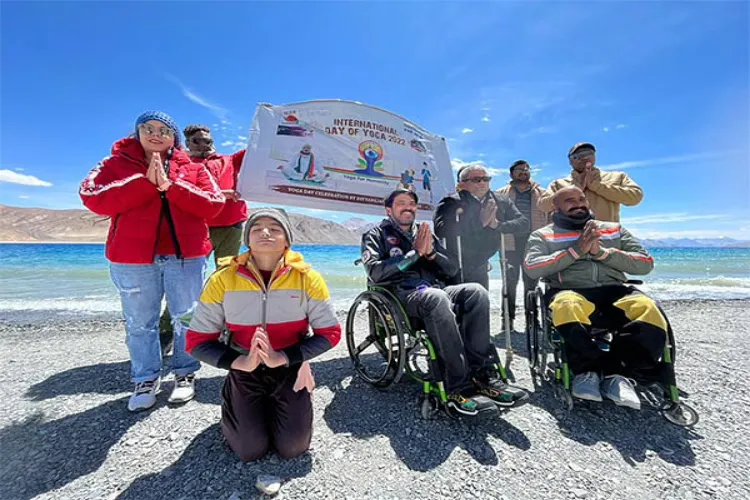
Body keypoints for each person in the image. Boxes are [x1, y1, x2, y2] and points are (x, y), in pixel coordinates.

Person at [79, 110, 225, 411]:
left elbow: (214, 205)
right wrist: (143, 184)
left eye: (164, 129)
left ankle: (185, 374)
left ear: (173, 138)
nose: (156, 134)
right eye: (148, 128)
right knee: (139, 322)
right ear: (138, 132)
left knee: (187, 316)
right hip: (132, 258)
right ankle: (145, 379)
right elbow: (91, 196)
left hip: (185, 256)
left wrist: (170, 187)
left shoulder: (192, 168)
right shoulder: (115, 164)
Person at [186, 208, 341, 461]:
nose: (265, 232)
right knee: (249, 451)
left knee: (293, 448)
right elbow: (197, 341)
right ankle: (233, 396)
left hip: (289, 365)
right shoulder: (223, 280)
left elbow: (330, 333)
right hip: (244, 366)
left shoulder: (308, 278)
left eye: (275, 228)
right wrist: (241, 363)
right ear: (247, 239)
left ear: (287, 240)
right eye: (256, 229)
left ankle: (289, 398)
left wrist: (284, 357)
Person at [361, 189, 529, 417]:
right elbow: (376, 273)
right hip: (400, 297)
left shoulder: (424, 233)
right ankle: (456, 387)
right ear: (389, 210)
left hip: (433, 291)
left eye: (412, 203)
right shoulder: (375, 235)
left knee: (476, 292)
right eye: (401, 203)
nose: (408, 207)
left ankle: (483, 375)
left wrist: (431, 254)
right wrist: (413, 254)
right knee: (436, 297)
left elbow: (452, 269)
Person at [523, 186, 664, 409]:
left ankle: (620, 374)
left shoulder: (614, 230)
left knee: (646, 307)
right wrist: (576, 251)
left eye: (581, 199)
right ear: (555, 207)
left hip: (614, 289)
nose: (578, 203)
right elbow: (532, 267)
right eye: (569, 200)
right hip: (570, 290)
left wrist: (602, 253)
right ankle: (587, 371)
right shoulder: (542, 235)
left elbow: (645, 263)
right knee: (566, 305)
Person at [159, 125, 249, 351]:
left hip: (231, 227)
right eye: (198, 141)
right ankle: (167, 331)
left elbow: (255, 151)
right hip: (197, 228)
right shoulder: (181, 165)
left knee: (228, 278)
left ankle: (226, 330)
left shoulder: (228, 160)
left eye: (207, 141)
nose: (204, 145)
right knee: (186, 282)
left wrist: (274, 123)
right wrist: (219, 195)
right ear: (188, 143)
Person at [434, 165, 528, 290]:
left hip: (483, 260)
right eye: (476, 180)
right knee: (459, 301)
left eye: (486, 179)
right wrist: (480, 223)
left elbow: (523, 223)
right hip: (458, 262)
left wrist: (498, 225)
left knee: (481, 300)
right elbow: (441, 229)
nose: (482, 183)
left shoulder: (500, 200)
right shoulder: (451, 202)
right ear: (463, 183)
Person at [495, 160, 549, 331]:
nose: (523, 172)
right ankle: (507, 319)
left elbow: (550, 217)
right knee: (509, 281)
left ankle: (532, 320)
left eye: (526, 169)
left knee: (531, 283)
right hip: (509, 243)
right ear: (511, 174)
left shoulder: (542, 194)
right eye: (519, 169)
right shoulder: (501, 194)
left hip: (534, 243)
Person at [539, 142, 643, 222]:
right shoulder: (558, 184)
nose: (585, 158)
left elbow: (635, 197)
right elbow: (543, 206)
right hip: (569, 240)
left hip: (607, 237)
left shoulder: (617, 177)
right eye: (578, 155)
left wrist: (597, 186)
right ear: (570, 161)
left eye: (589, 153)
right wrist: (575, 190)